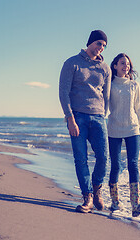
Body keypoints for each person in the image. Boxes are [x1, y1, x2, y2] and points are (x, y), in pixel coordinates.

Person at [59, 30, 111, 213]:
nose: (101, 48)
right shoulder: (71, 63)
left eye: (104, 45)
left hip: (98, 117)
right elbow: (63, 92)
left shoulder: (105, 68)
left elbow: (106, 95)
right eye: (98, 43)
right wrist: (70, 118)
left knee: (103, 157)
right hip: (78, 117)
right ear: (89, 43)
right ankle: (87, 197)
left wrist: (103, 116)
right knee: (80, 159)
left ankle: (97, 190)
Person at [107, 53, 140, 217]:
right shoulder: (109, 85)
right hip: (114, 128)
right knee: (115, 165)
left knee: (133, 164)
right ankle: (115, 202)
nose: (126, 66)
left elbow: (139, 110)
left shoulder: (134, 85)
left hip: (133, 129)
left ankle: (135, 204)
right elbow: (103, 106)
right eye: (122, 63)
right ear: (115, 66)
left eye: (128, 64)